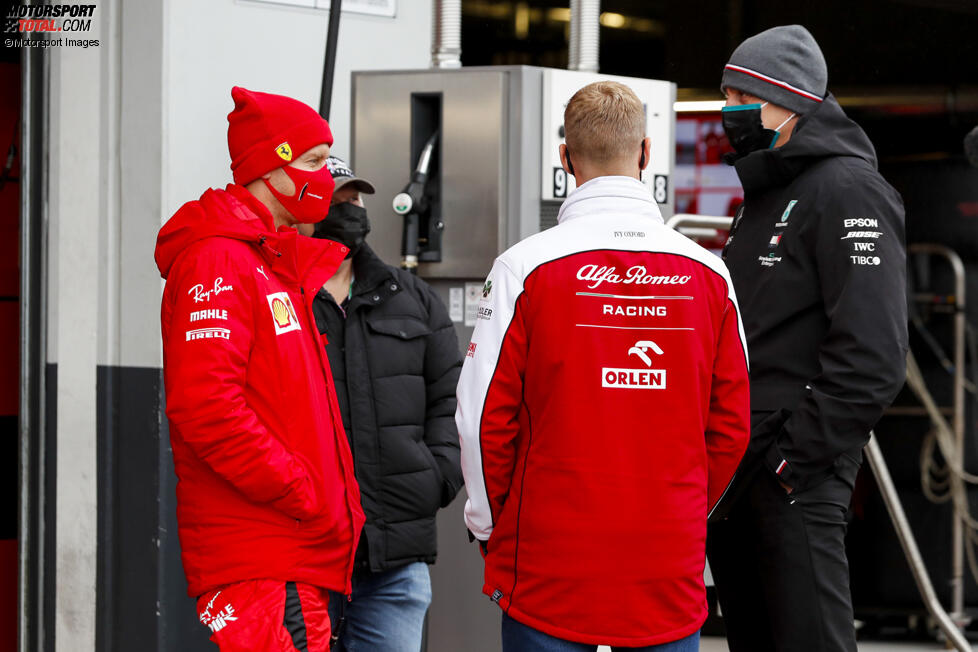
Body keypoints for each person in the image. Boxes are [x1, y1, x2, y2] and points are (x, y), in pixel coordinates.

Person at [455, 81, 751, 651]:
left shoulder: (523, 267)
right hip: (667, 560)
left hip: (549, 562)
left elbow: (482, 420)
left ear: (565, 159)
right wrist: (683, 511)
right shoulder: (711, 274)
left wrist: (489, 525)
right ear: (645, 153)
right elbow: (732, 423)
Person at [707, 25, 908, 652]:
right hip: (741, 471)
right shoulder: (765, 195)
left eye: (740, 94)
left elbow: (872, 354)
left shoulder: (848, 190)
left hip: (795, 473)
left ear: (787, 100)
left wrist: (791, 464)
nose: (727, 110)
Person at [155, 87, 365, 651]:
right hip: (267, 556)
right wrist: (301, 488)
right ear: (272, 168)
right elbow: (207, 408)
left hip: (292, 554)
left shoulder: (267, 260)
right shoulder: (219, 259)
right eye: (315, 163)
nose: (327, 179)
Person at [296, 156, 463, 651]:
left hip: (393, 560)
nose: (349, 208)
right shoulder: (281, 294)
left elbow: (451, 398)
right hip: (302, 560)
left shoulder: (411, 297)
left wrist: (438, 477)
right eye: (335, 199)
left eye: (355, 198)